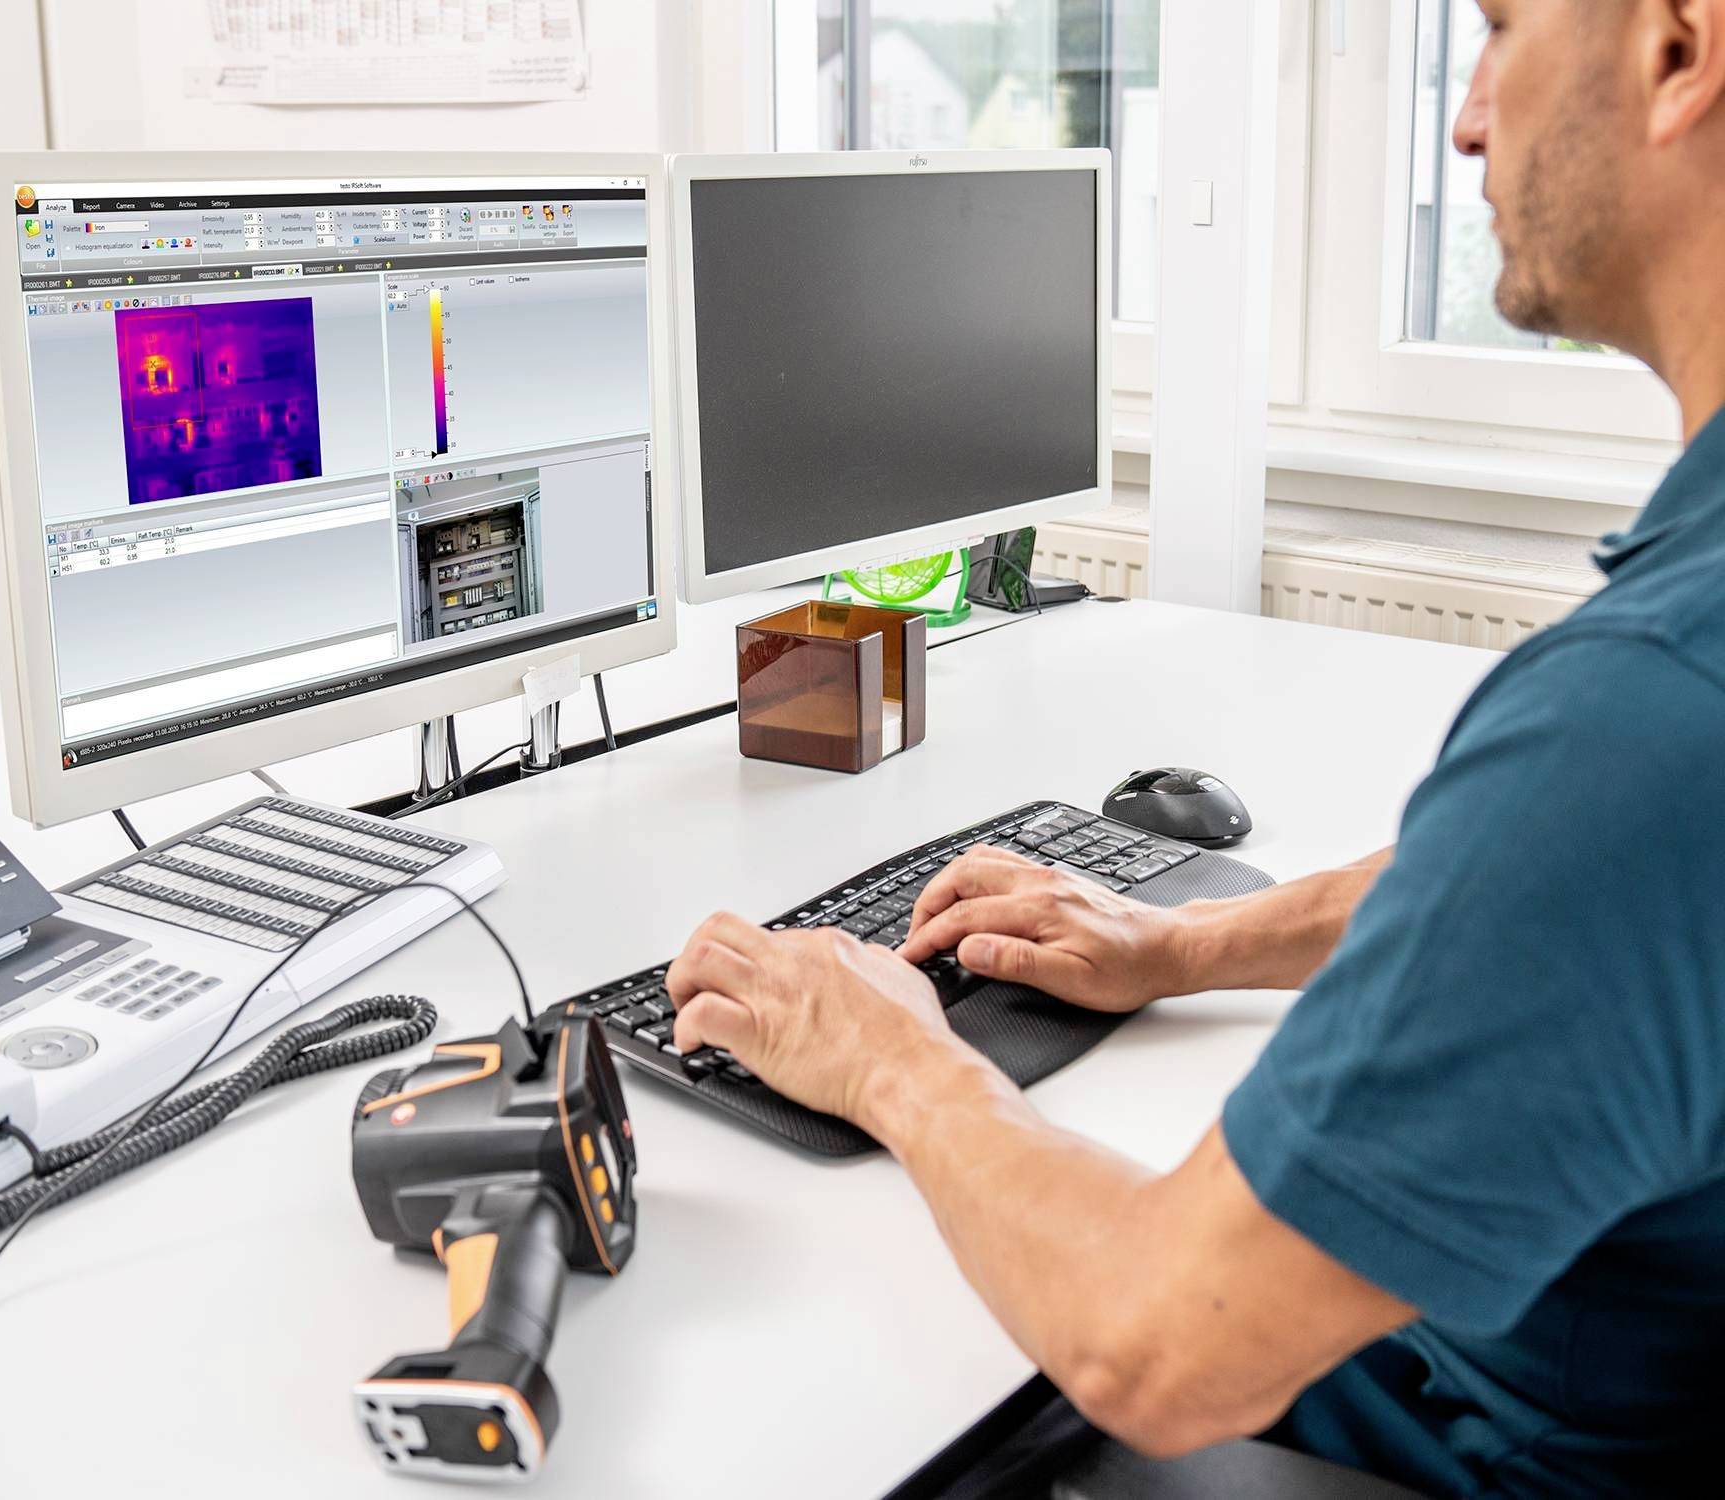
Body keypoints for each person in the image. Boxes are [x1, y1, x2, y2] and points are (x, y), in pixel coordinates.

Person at [664, 2, 1725, 1495]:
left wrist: (893, 1063)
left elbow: (1157, 1348)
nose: (1470, 114)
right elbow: (1586, 908)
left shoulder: (1650, 713)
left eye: (1497, 30)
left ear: (1682, 50)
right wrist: (1189, 942)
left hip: (1449, 1441)